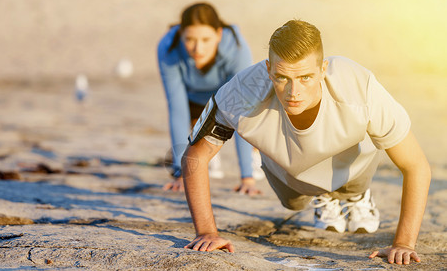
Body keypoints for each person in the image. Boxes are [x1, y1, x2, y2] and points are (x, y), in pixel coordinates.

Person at [181, 20, 431, 265]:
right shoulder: (240, 92)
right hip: (288, 168)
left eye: (305, 77)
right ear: (268, 69)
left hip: (351, 164)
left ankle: (354, 196)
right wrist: (206, 232)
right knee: (292, 202)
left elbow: (416, 166)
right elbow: (194, 156)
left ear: (324, 69)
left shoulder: (359, 87)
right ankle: (324, 198)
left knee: (352, 180)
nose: (293, 92)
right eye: (281, 78)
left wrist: (404, 243)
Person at [157, 2, 262, 195]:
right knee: (193, 135)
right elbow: (177, 110)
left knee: (254, 113)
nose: (198, 48)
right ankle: (207, 154)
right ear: (180, 34)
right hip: (196, 101)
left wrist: (247, 178)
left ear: (219, 34)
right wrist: (181, 175)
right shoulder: (167, 48)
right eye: (189, 39)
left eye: (206, 39)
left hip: (229, 97)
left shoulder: (237, 48)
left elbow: (242, 110)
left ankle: (254, 157)